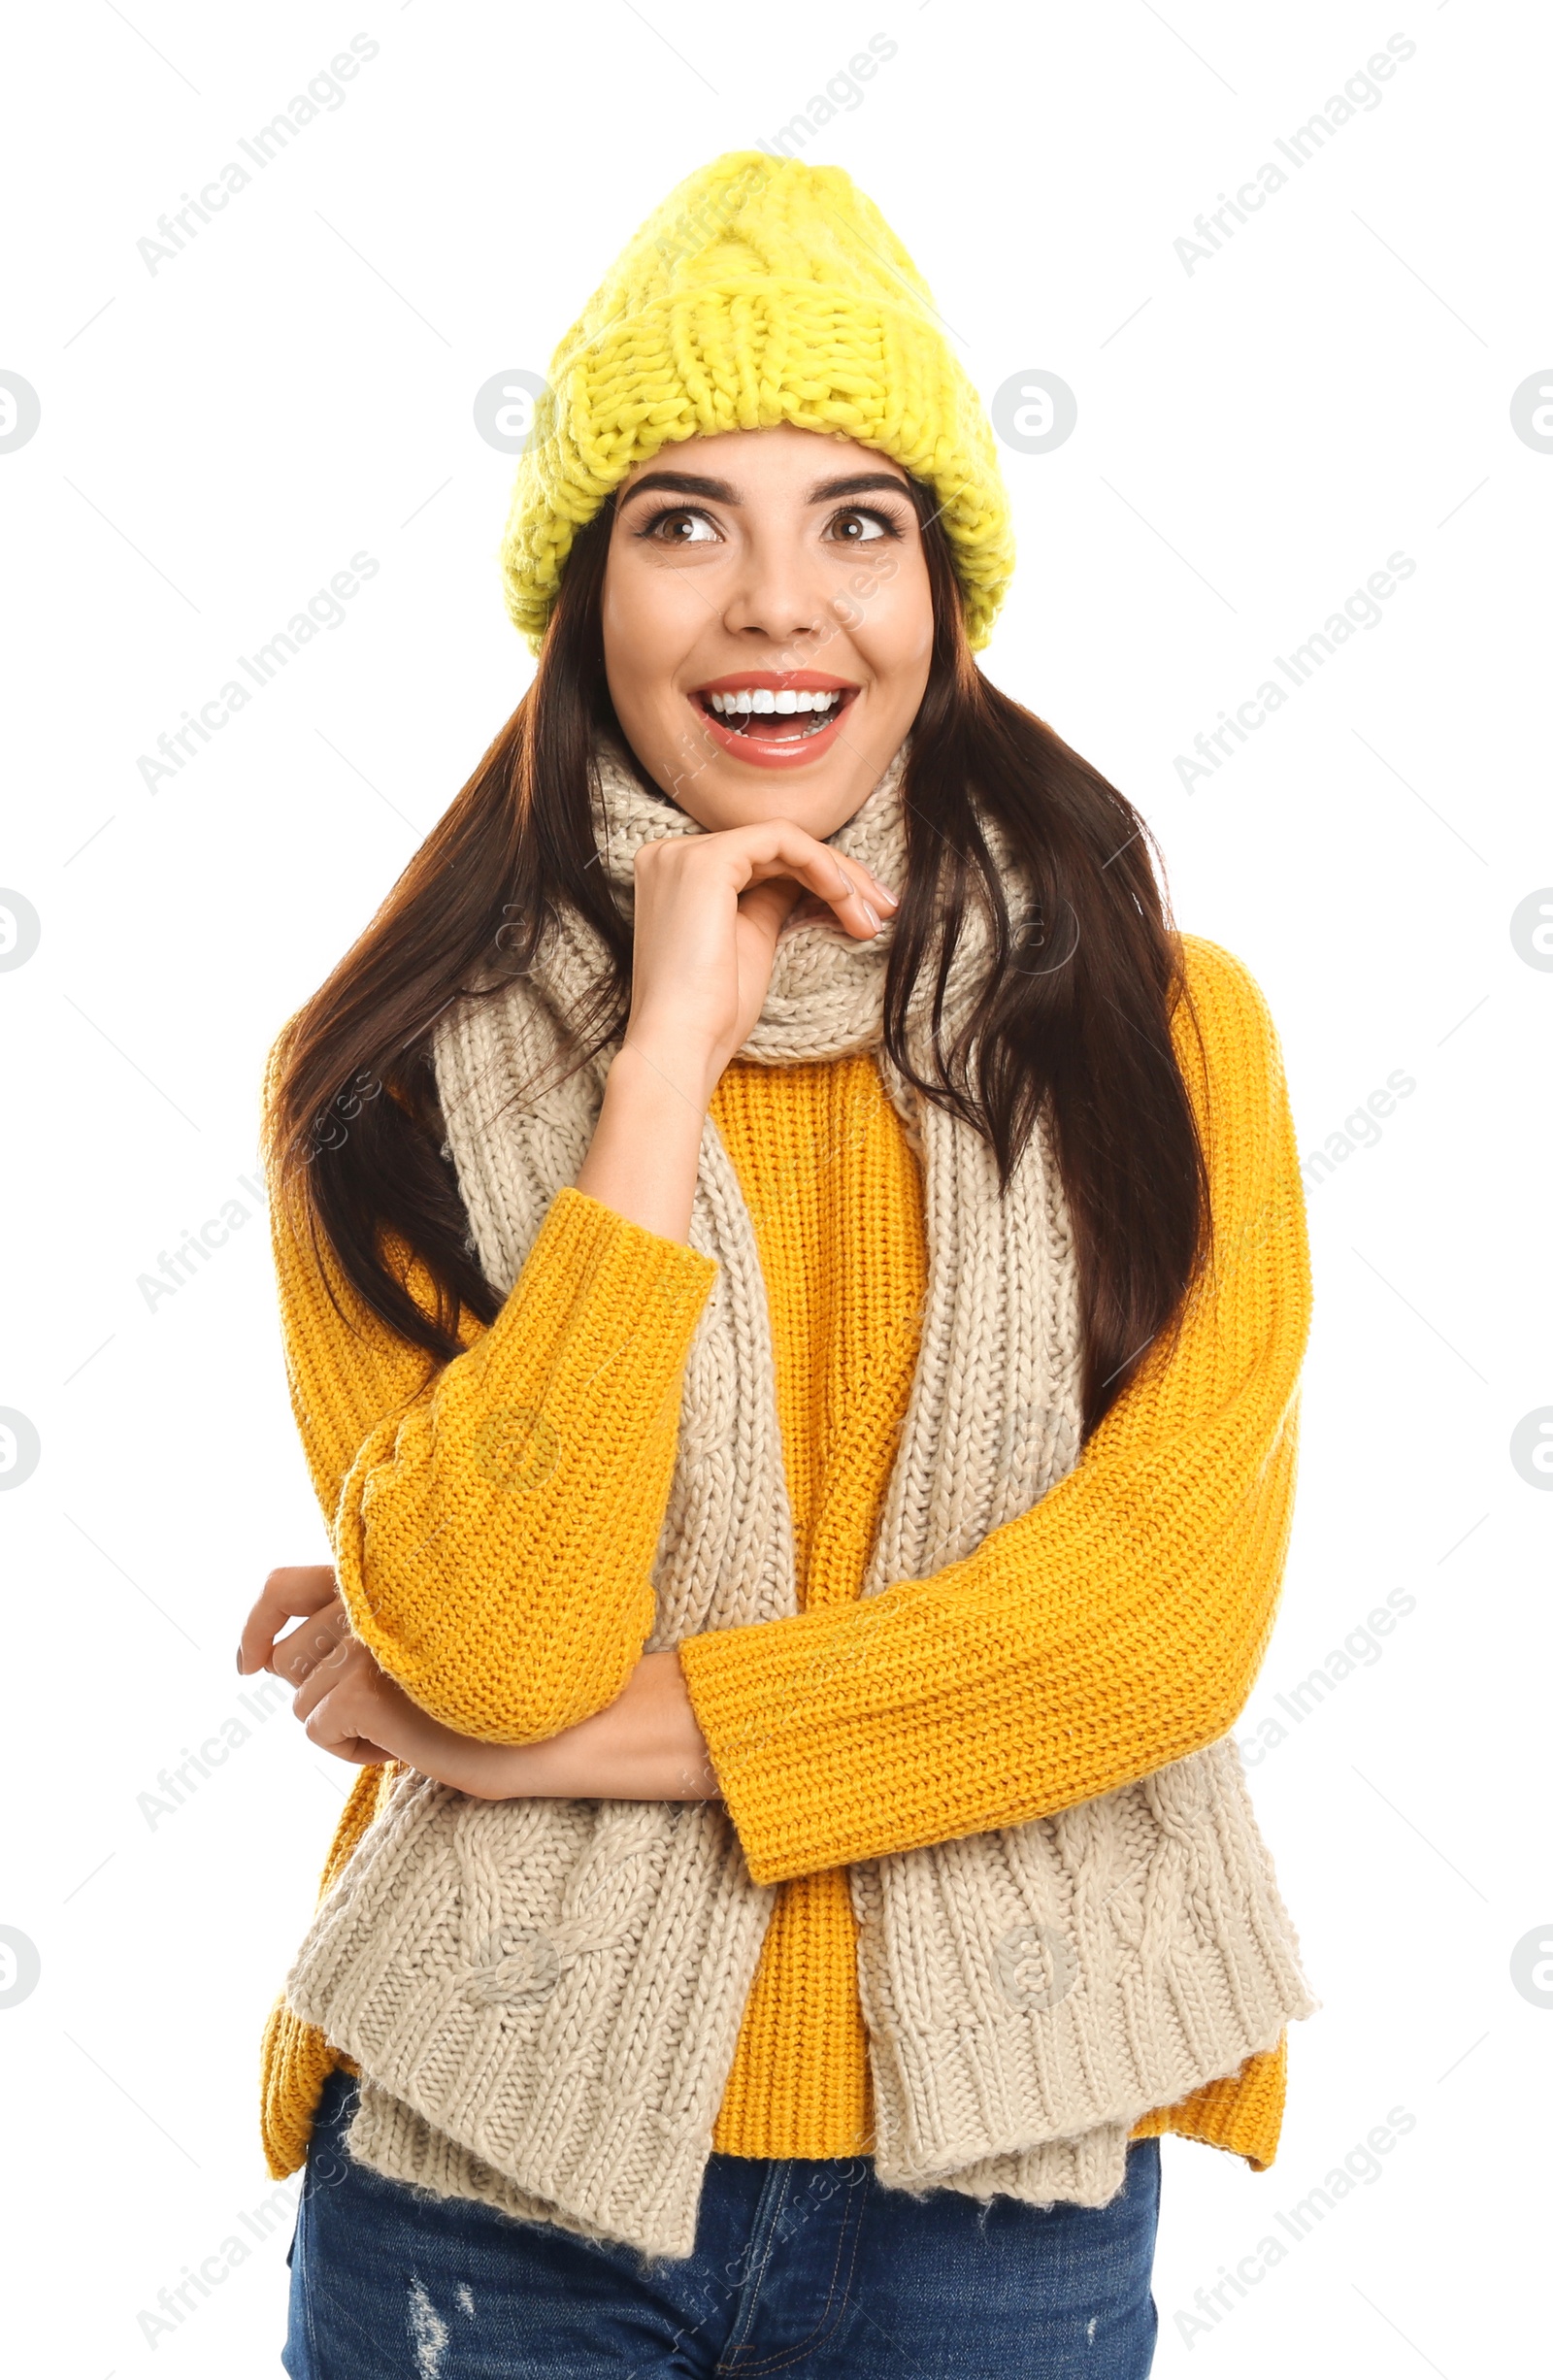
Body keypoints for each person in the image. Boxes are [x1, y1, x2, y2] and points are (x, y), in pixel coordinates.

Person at [242, 149, 1315, 2380]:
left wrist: (530, 1749)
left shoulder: (1165, 1030)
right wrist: (655, 1072)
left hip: (986, 2186)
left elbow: (1142, 1639)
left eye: (854, 520)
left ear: (940, 591)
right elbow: (500, 1629)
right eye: (679, 520)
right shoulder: (380, 1075)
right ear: (582, 594)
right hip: (484, 2165)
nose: (772, 605)